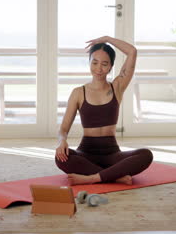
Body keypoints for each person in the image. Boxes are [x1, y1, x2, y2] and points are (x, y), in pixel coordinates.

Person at [55, 36, 153, 185]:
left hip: (112, 154)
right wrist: (62, 142)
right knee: (60, 158)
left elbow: (132, 51)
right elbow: (63, 128)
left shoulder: (117, 87)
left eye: (104, 64)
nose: (98, 68)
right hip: (86, 153)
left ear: (110, 67)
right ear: (89, 63)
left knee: (146, 155)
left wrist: (107, 39)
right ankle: (114, 176)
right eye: (94, 62)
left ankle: (93, 177)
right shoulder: (78, 92)